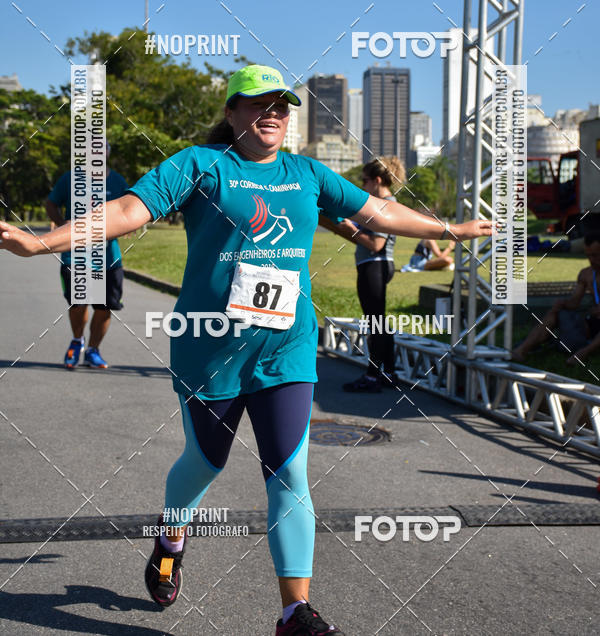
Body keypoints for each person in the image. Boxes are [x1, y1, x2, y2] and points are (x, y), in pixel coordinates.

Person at [0, 64, 493, 636]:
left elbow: (377, 212)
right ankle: (171, 531)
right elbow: (126, 211)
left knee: (289, 474)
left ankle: (294, 612)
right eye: (260, 104)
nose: (275, 114)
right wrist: (44, 242)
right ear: (232, 112)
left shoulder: (307, 173)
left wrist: (449, 230)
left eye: (282, 106)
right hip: (209, 348)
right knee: (204, 462)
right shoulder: (199, 165)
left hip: (286, 347)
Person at [319, 157, 405, 393]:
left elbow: (376, 243)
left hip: (375, 265)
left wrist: (349, 229)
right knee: (379, 321)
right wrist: (341, 227)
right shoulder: (382, 203)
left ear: (377, 180)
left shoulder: (386, 204)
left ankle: (372, 376)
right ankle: (388, 373)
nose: (362, 186)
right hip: (375, 265)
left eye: (365, 181)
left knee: (374, 322)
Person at [45, 144, 128, 369]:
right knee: (79, 303)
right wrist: (63, 226)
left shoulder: (118, 182)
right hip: (76, 256)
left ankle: (93, 350)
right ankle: (76, 341)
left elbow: (129, 210)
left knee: (104, 307)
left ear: (108, 154)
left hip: (109, 258)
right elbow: (51, 203)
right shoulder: (70, 178)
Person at [511, 232, 600, 365]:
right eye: (588, 255)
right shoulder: (586, 274)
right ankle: (522, 350)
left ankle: (583, 354)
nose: (591, 260)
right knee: (556, 312)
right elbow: (574, 303)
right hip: (591, 325)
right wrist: (562, 304)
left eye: (595, 255)